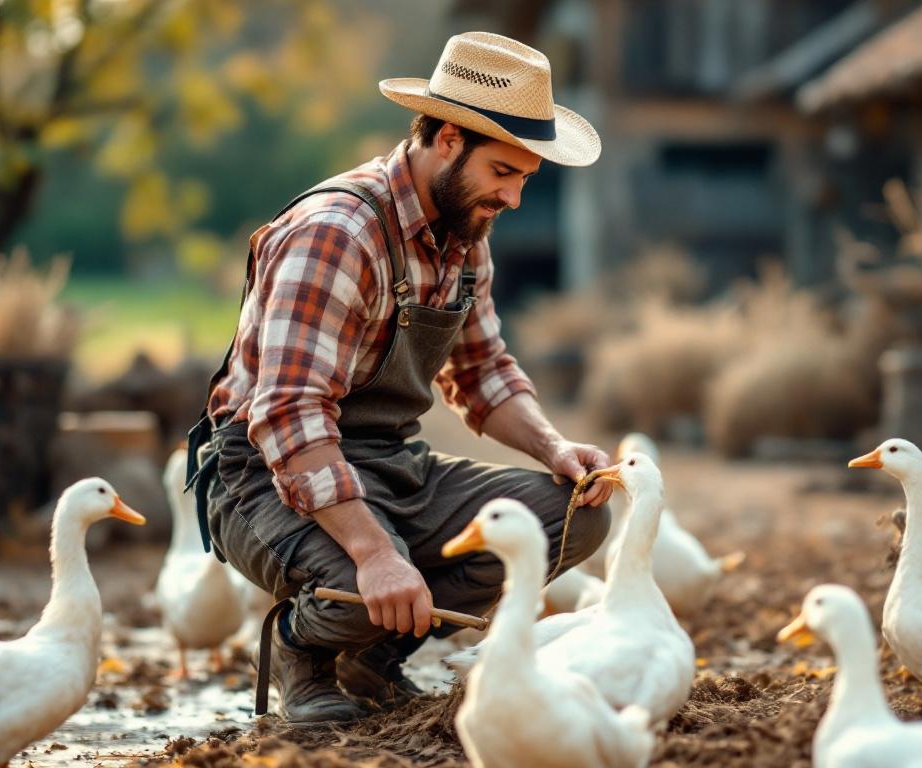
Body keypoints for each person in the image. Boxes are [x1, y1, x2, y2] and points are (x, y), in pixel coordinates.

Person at [187, 31, 614, 722]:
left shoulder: (464, 233)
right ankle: (306, 650)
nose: (512, 198)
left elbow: (483, 371)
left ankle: (372, 656)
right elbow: (289, 416)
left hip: (389, 464)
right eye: (503, 172)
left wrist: (554, 449)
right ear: (448, 138)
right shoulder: (337, 233)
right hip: (263, 474)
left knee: (569, 521)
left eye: (525, 180)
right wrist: (375, 551)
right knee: (362, 575)